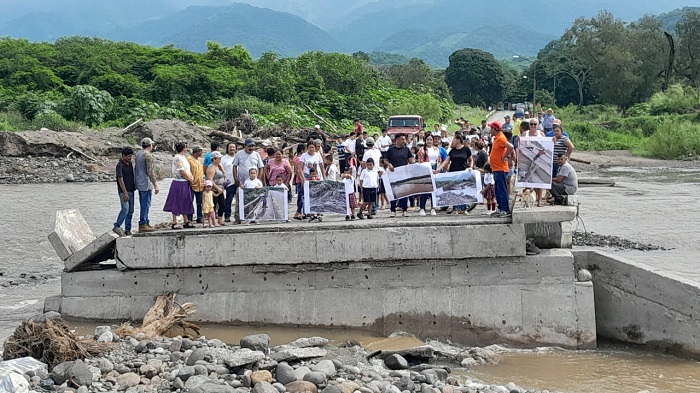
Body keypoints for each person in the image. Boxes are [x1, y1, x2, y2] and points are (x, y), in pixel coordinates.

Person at [434, 134, 472, 214]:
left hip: (463, 173)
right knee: (454, 190)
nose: (453, 141)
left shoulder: (466, 149)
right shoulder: (452, 150)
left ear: (458, 140)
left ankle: (463, 209)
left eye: (454, 139)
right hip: (453, 172)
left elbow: (471, 159)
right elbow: (446, 161)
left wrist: (471, 167)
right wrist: (439, 169)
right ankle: (455, 208)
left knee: (463, 190)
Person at [163, 142, 195, 229]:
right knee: (176, 201)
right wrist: (190, 179)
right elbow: (181, 171)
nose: (187, 148)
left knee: (185, 200)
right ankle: (174, 222)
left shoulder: (183, 157)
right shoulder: (177, 158)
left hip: (185, 182)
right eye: (185, 147)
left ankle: (186, 220)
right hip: (179, 182)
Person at [487, 121, 514, 217]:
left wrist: (504, 157)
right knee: (498, 190)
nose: (490, 130)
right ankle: (501, 208)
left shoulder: (501, 138)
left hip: (501, 168)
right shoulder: (497, 138)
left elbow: (511, 147)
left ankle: (505, 209)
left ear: (495, 129)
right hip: (496, 168)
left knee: (502, 189)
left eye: (491, 128)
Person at [233, 138, 265, 219]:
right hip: (242, 183)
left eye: (253, 146)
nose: (251, 148)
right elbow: (234, 166)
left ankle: (253, 217)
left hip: (254, 184)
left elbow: (261, 167)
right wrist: (236, 178)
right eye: (249, 146)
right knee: (239, 200)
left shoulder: (256, 154)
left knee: (254, 201)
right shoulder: (239, 154)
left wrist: (258, 180)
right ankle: (238, 218)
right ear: (245, 146)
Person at [384, 133, 415, 217]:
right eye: (402, 139)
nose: (403, 141)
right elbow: (385, 160)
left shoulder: (406, 149)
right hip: (393, 173)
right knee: (393, 193)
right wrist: (389, 164)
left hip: (403, 173)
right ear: (397, 139)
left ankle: (404, 210)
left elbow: (410, 160)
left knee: (404, 193)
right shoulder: (391, 150)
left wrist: (416, 164)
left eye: (404, 139)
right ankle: (393, 210)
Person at [134, 137, 159, 233]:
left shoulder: (138, 154)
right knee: (146, 204)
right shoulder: (148, 155)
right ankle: (143, 223)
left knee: (143, 203)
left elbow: (136, 169)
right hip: (146, 183)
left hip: (139, 182)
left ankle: (146, 222)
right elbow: (150, 171)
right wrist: (156, 184)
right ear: (150, 145)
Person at [113, 147, 136, 236]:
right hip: (124, 191)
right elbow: (120, 179)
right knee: (125, 209)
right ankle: (117, 226)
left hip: (131, 190)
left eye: (131, 156)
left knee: (130, 210)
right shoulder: (120, 165)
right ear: (123, 156)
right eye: (129, 156)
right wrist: (125, 192)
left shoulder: (130, 164)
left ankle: (127, 229)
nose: (130, 158)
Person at [417, 135, 442, 216]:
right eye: (427, 139)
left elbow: (439, 160)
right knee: (425, 189)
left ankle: (433, 208)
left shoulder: (436, 149)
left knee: (433, 190)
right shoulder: (422, 150)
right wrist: (429, 170)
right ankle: (422, 208)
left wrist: (438, 169)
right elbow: (421, 161)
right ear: (425, 140)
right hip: (426, 169)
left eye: (431, 139)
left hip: (435, 169)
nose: (429, 141)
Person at [206, 151, 227, 226]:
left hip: (221, 189)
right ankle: (213, 221)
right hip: (214, 190)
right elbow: (210, 180)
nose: (220, 160)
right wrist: (217, 188)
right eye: (219, 158)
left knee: (223, 205)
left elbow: (224, 175)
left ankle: (220, 220)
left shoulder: (219, 166)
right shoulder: (211, 168)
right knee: (213, 206)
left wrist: (222, 169)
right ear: (214, 159)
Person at [187, 146, 205, 223]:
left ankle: (199, 217)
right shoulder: (189, 159)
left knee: (200, 202)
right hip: (191, 184)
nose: (201, 153)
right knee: (190, 201)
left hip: (200, 183)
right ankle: (189, 217)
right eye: (200, 151)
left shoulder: (200, 160)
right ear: (197, 151)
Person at [221, 142, 237, 222]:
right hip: (229, 182)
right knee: (228, 200)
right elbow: (221, 170)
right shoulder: (224, 159)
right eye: (230, 147)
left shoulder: (238, 157)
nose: (232, 149)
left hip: (238, 181)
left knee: (240, 200)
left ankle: (240, 216)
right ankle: (227, 215)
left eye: (233, 147)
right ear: (227, 149)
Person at [293, 143, 307, 220]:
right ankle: (298, 212)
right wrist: (302, 180)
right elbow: (298, 170)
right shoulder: (299, 159)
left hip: (300, 179)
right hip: (300, 180)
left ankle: (301, 212)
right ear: (302, 150)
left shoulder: (296, 158)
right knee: (301, 196)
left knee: (300, 196)